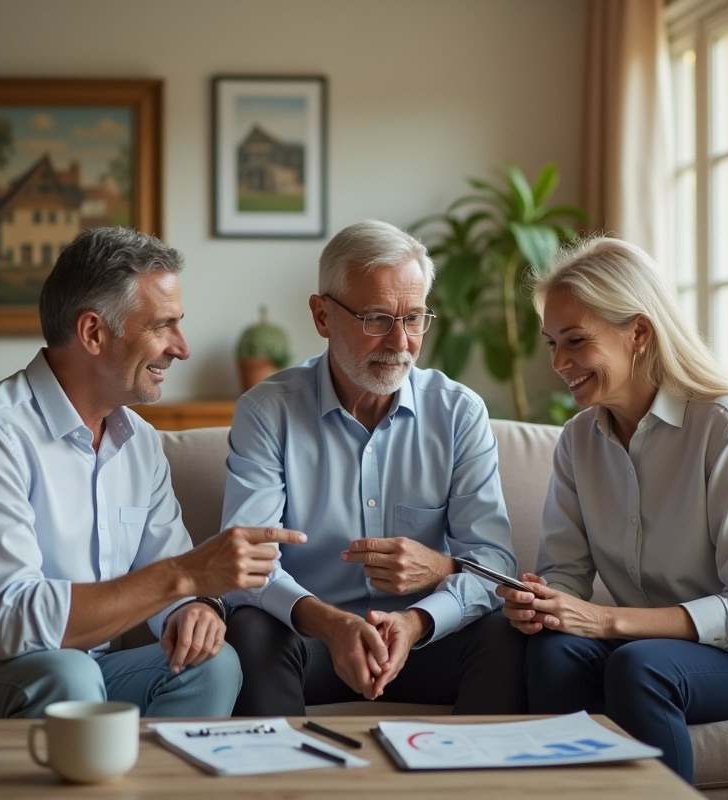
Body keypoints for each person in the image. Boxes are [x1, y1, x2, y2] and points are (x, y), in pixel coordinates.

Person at [0, 228, 306, 751]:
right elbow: (13, 623)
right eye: (164, 326)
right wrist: (188, 574)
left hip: (83, 669)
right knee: (66, 677)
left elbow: (170, 578)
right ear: (94, 333)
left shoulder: (140, 443)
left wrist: (198, 609)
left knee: (213, 665)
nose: (182, 348)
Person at [498, 236, 728, 782]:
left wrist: (607, 621)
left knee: (639, 666)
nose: (558, 362)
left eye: (576, 341)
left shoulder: (726, 427)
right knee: (552, 649)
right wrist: (543, 603)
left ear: (640, 333)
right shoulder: (578, 440)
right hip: (652, 648)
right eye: (552, 343)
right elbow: (566, 575)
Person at [222, 219, 525, 716]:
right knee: (252, 632)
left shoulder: (458, 412)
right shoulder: (267, 411)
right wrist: (331, 624)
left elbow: (493, 561)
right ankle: (280, 787)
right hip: (313, 640)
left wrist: (418, 622)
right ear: (322, 315)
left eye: (414, 319)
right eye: (377, 318)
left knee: (503, 633)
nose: (400, 342)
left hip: (426, 639)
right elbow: (246, 565)